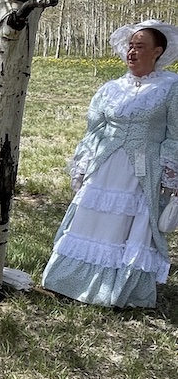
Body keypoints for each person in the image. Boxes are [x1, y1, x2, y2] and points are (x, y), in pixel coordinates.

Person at [42, 19, 178, 308]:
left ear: (157, 51)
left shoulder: (171, 87)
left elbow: (175, 135)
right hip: (105, 167)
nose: (132, 51)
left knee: (131, 229)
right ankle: (68, 281)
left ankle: (115, 292)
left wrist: (169, 174)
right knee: (91, 219)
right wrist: (83, 164)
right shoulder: (111, 89)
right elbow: (95, 129)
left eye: (139, 46)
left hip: (143, 171)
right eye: (130, 46)